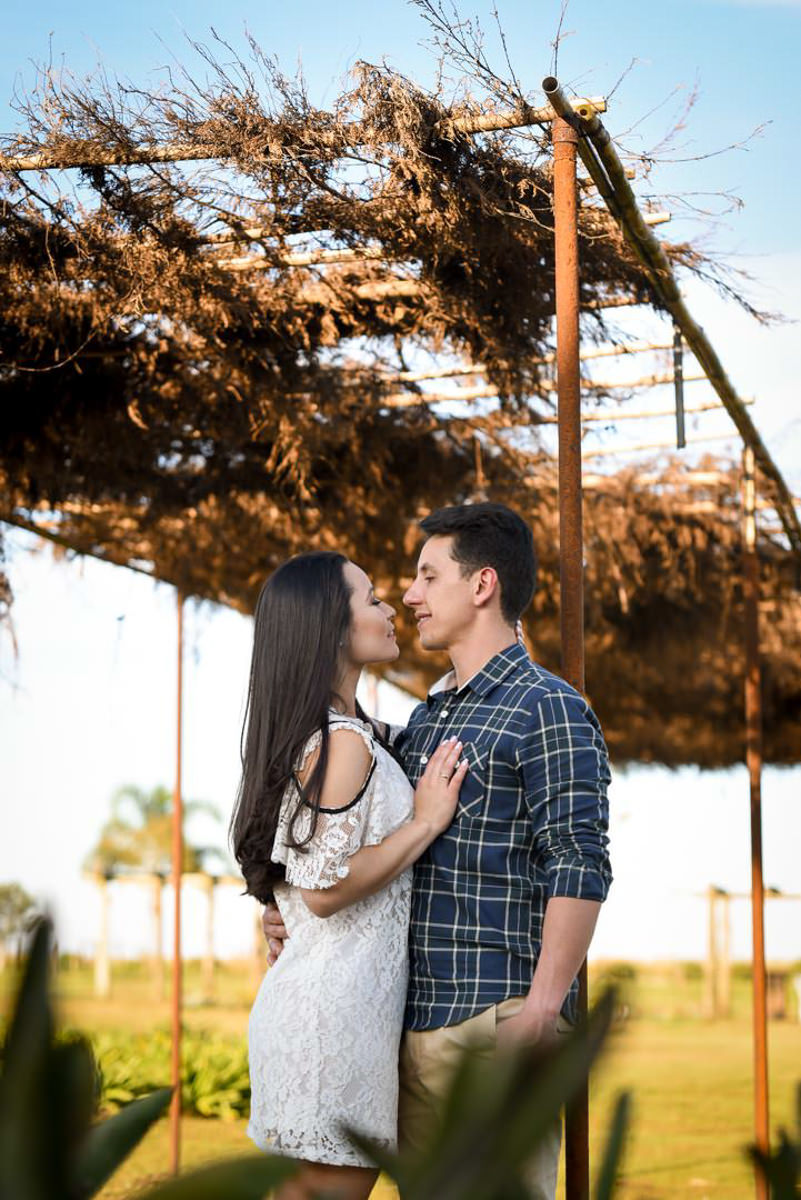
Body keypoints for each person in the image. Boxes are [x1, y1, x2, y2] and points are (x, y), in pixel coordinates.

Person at [263, 503, 613, 1200]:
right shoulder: (426, 719)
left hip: (492, 1019)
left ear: (481, 585)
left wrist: (542, 1010)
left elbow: (578, 859)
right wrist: (287, 909)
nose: (410, 596)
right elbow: (331, 825)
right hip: (405, 1025)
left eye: (427, 576)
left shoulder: (549, 706)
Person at [231, 550, 469, 1200]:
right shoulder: (342, 742)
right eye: (370, 599)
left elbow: (301, 881)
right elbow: (322, 886)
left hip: (334, 1016)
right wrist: (422, 824)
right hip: (329, 1027)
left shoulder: (352, 732)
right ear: (332, 627)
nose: (390, 607)